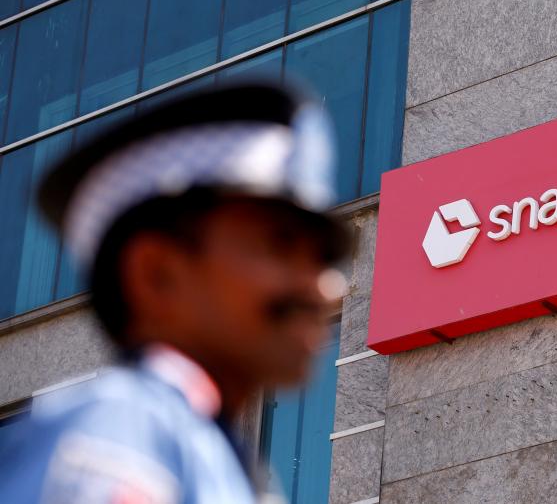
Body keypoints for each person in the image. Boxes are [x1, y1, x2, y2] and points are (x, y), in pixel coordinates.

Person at [0, 82, 351, 503]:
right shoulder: (120, 439)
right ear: (157, 273)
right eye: (280, 246)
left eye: (322, 259)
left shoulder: (210, 458)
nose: (328, 289)